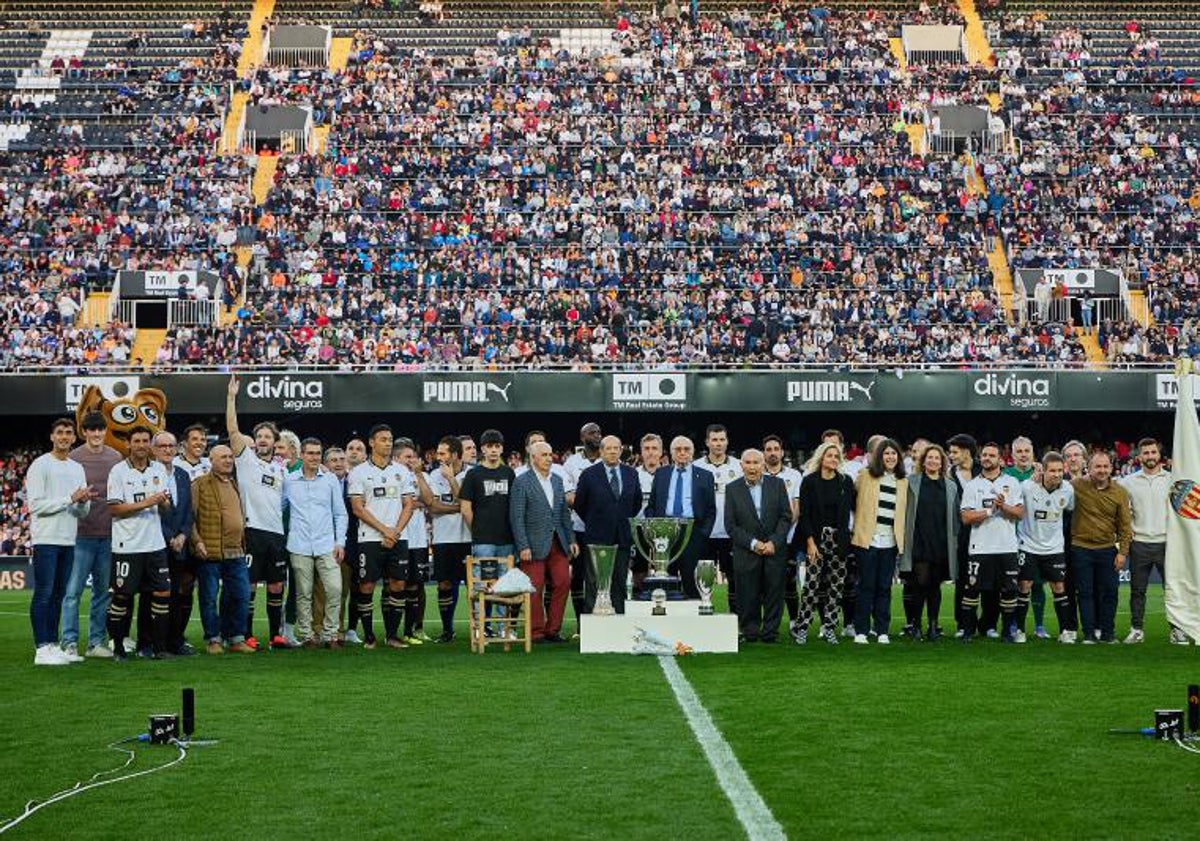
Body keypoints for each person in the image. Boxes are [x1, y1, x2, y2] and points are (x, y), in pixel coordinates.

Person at [226, 374, 290, 650]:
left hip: (276, 534)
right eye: (259, 436)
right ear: (253, 440)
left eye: (268, 436)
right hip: (252, 531)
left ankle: (276, 635)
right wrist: (231, 398)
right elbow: (231, 430)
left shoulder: (281, 469)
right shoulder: (246, 460)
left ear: (275, 442)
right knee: (249, 587)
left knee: (276, 587)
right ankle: (247, 634)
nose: (263, 439)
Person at [27, 418, 94, 665]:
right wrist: (70, 498)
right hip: (45, 538)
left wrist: (82, 501)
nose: (65, 437)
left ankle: (53, 645)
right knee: (44, 592)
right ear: (52, 437)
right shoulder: (40, 465)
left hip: (68, 539)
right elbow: (36, 506)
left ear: (74, 438)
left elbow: (81, 513)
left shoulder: (77, 468)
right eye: (60, 433)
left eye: (68, 433)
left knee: (58, 594)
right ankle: (41, 647)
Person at [105, 426, 173, 660]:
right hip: (128, 546)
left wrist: (163, 503)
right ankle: (118, 647)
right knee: (122, 596)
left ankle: (159, 648)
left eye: (145, 440)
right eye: (137, 441)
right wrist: (148, 502)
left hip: (155, 545)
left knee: (162, 592)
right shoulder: (118, 472)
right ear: (128, 444)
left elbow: (165, 509)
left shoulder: (159, 469)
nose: (142, 445)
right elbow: (114, 508)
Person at [348, 423, 417, 649]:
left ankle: (392, 635)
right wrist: (384, 530)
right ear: (371, 442)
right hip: (369, 538)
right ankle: (369, 636)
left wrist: (394, 531)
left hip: (398, 538)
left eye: (390, 439)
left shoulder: (402, 471)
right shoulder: (358, 472)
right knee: (366, 585)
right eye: (383, 439)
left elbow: (409, 504)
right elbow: (357, 508)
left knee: (398, 584)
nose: (387, 443)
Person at [61, 411, 120, 659]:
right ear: (84, 432)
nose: (96, 434)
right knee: (72, 592)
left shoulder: (116, 457)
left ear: (105, 431)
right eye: (91, 429)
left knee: (102, 593)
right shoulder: (73, 458)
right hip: (80, 536)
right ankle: (70, 642)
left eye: (100, 429)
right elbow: (66, 497)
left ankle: (96, 642)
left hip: (108, 535)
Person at [509, 441, 578, 642]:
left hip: (559, 541)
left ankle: (553, 630)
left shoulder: (557, 480)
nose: (550, 458)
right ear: (533, 457)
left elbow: (564, 513)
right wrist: (522, 545)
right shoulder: (521, 482)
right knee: (534, 587)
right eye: (545, 455)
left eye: (550, 454)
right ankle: (536, 631)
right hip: (532, 545)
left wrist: (571, 539)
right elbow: (516, 517)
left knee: (563, 582)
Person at [959, 442, 1025, 643]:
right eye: (984, 455)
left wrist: (1002, 505)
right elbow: (966, 517)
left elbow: (1019, 513)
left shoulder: (1012, 483)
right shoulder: (972, 485)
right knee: (972, 589)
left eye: (992, 455)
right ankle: (968, 631)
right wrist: (989, 511)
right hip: (980, 547)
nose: (987, 458)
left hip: (1006, 546)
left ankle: (1007, 632)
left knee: (1009, 590)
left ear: (1000, 459)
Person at [284, 437, 347, 648]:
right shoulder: (289, 481)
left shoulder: (330, 480)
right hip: (299, 544)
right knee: (303, 593)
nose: (314, 457)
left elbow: (340, 514)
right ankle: (308, 635)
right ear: (301, 455)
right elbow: (279, 508)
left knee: (335, 589)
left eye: (317, 454)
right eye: (310, 453)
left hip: (326, 544)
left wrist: (340, 543)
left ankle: (330, 635)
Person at [190, 445, 253, 654]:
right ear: (211, 460)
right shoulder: (199, 484)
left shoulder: (234, 483)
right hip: (210, 550)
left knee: (240, 595)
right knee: (208, 597)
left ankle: (235, 637)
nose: (228, 460)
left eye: (230, 457)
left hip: (235, 551)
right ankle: (213, 639)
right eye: (223, 457)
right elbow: (190, 517)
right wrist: (196, 541)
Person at [792, 441, 855, 645]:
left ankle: (829, 627)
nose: (833, 459)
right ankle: (802, 627)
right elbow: (805, 515)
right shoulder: (809, 481)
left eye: (836, 456)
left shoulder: (846, 481)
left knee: (835, 587)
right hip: (816, 539)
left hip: (840, 540)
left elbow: (851, 512)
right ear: (821, 458)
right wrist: (810, 543)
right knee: (811, 585)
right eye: (829, 456)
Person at [725, 449, 792, 643]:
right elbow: (731, 525)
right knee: (747, 593)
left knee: (774, 592)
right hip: (746, 550)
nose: (752, 467)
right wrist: (754, 544)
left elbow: (785, 517)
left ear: (763, 464)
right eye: (748, 462)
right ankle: (750, 631)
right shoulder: (732, 488)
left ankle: (771, 632)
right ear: (741, 465)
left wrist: (774, 542)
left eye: (756, 462)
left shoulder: (777, 484)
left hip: (774, 549)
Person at [573, 435, 642, 614]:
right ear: (601, 451)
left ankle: (618, 620)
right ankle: (591, 625)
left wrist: (619, 520)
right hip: (597, 537)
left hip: (622, 537)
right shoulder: (589, 474)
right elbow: (580, 504)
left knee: (619, 582)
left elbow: (636, 503)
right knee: (594, 582)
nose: (612, 451)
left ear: (620, 451)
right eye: (608, 448)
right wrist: (598, 521)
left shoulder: (631, 473)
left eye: (616, 448)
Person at [850, 438, 908, 644]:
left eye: (894, 453)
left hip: (890, 542)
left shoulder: (903, 481)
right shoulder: (865, 475)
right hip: (867, 540)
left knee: (884, 587)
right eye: (886, 453)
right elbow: (852, 500)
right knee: (866, 586)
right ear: (879, 456)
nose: (890, 457)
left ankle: (882, 629)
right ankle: (861, 631)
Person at [459, 429, 517, 636]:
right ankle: (480, 627)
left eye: (497, 446)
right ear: (482, 449)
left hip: (507, 538)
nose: (493, 450)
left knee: (505, 585)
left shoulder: (509, 473)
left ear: (502, 448)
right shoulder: (473, 474)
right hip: (483, 539)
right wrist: (478, 530)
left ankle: (504, 627)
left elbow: (514, 506)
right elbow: (465, 507)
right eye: (489, 446)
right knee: (482, 584)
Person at [1071, 450, 1132, 644]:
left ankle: (1108, 633)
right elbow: (1054, 487)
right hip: (1081, 548)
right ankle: (1089, 634)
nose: (1102, 470)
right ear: (1088, 468)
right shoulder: (1075, 486)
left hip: (1107, 549)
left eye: (1105, 466)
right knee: (1085, 593)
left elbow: (1124, 525)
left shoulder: (1120, 492)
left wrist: (1123, 552)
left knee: (1110, 593)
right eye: (1097, 466)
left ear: (1111, 468)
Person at [1120, 438, 1177, 644]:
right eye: (1146, 453)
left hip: (1167, 543)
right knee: (1137, 590)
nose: (1150, 456)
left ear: (1159, 454)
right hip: (1140, 543)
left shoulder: (1173, 479)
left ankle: (1177, 629)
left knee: (1171, 590)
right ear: (1139, 456)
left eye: (1153, 452)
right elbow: (1123, 513)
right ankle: (1137, 629)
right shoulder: (1127, 482)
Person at [901, 444, 959, 641]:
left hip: (941, 543)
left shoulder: (950, 486)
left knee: (935, 586)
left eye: (937, 458)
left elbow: (955, 517)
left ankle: (933, 625)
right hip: (918, 541)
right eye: (930, 457)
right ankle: (916, 624)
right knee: (920, 584)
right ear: (923, 461)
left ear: (942, 462)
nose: (933, 461)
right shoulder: (912, 482)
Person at [646, 435, 716, 597]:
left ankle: (692, 619)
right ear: (671, 453)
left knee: (692, 583)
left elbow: (711, 509)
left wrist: (703, 534)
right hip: (665, 533)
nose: (682, 453)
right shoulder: (661, 474)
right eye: (678, 449)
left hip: (693, 533)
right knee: (664, 582)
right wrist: (653, 531)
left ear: (692, 452)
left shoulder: (705, 476)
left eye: (686, 449)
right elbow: (652, 505)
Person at [1017, 452, 1076, 643]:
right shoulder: (1027, 487)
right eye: (1052, 471)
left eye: (1060, 470)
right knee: (1024, 585)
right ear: (1043, 471)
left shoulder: (1067, 490)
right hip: (1028, 545)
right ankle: (1019, 630)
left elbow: (1070, 510)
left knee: (1059, 587)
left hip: (1054, 548)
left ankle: (1065, 631)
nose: (1057, 474)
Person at [417, 435, 470, 643]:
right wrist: (461, 508)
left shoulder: (472, 473)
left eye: (442, 453)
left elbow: (466, 499)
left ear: (455, 455)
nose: (438, 457)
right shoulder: (433, 475)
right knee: (444, 584)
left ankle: (479, 627)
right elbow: (433, 507)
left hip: (468, 537)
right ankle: (448, 630)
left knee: (474, 585)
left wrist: (451, 479)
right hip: (443, 539)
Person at [154, 431, 196, 655]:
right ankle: (151, 642)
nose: (167, 450)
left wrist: (182, 535)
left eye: (171, 446)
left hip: (180, 544)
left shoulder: (182, 474)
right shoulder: (149, 474)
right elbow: (153, 512)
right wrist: (169, 536)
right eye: (162, 446)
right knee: (158, 595)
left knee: (179, 595)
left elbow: (188, 510)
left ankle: (175, 641)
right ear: (154, 450)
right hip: (157, 544)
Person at [697, 424, 743, 613]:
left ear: (727, 441)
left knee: (734, 577)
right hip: (705, 533)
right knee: (703, 577)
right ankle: (703, 611)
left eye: (722, 439)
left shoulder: (739, 466)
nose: (718, 444)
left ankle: (736, 618)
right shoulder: (697, 466)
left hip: (731, 532)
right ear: (707, 442)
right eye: (714, 440)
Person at [763, 435, 802, 634]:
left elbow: (796, 507)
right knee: (764, 582)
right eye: (768, 449)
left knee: (788, 582)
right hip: (763, 539)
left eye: (775, 449)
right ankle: (766, 622)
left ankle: (795, 621)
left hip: (787, 538)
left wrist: (780, 532)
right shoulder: (757, 474)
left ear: (782, 451)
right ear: (764, 452)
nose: (772, 452)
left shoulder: (794, 475)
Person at [564, 422, 601, 619]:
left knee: (600, 575)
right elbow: (569, 497)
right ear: (582, 437)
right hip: (578, 528)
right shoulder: (571, 463)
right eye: (591, 433)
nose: (596, 436)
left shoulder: (608, 458)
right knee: (578, 576)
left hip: (603, 529)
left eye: (598, 433)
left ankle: (601, 616)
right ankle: (581, 622)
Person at [395, 438, 430, 644]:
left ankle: (412, 630)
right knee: (396, 585)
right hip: (400, 537)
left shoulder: (422, 476)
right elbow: (399, 502)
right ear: (396, 458)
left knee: (416, 585)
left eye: (413, 457)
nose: (411, 460)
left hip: (419, 540)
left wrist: (418, 474)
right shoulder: (392, 475)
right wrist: (413, 503)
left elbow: (429, 500)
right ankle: (397, 631)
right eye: (407, 457)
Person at [1002, 436, 1038, 636]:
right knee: (1011, 583)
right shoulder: (1005, 475)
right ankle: (1011, 623)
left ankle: (1039, 625)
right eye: (1019, 451)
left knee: (1036, 583)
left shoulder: (1041, 473)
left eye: (1027, 451)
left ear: (1033, 454)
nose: (1023, 455)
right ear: (1012, 455)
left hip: (1036, 538)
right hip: (1009, 537)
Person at [947, 433, 980, 638]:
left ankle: (988, 624)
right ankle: (963, 623)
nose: (951, 455)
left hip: (986, 531)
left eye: (954, 451)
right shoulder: (949, 474)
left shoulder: (983, 471)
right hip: (961, 534)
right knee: (962, 579)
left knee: (985, 580)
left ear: (966, 452)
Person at [632, 433, 664, 593]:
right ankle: (639, 602)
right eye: (647, 448)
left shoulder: (669, 474)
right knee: (639, 572)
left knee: (665, 571)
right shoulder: (632, 475)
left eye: (654, 448)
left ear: (661, 451)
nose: (650, 452)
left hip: (663, 532)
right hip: (638, 531)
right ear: (641, 452)